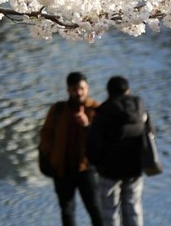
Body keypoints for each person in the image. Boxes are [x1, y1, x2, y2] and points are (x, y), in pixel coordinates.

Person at [40, 71, 103, 226]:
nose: (79, 92)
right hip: (63, 169)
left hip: (87, 169)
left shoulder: (97, 110)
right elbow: (45, 134)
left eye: (82, 88)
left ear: (87, 88)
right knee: (67, 212)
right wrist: (51, 157)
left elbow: (104, 139)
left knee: (96, 211)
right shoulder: (57, 110)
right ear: (68, 90)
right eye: (75, 89)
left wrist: (87, 125)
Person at [86, 76, 149, 226]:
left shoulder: (103, 111)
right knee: (133, 207)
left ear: (108, 92)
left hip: (109, 170)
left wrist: (95, 164)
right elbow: (149, 133)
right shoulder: (139, 107)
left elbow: (94, 143)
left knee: (110, 211)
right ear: (128, 90)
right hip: (135, 168)